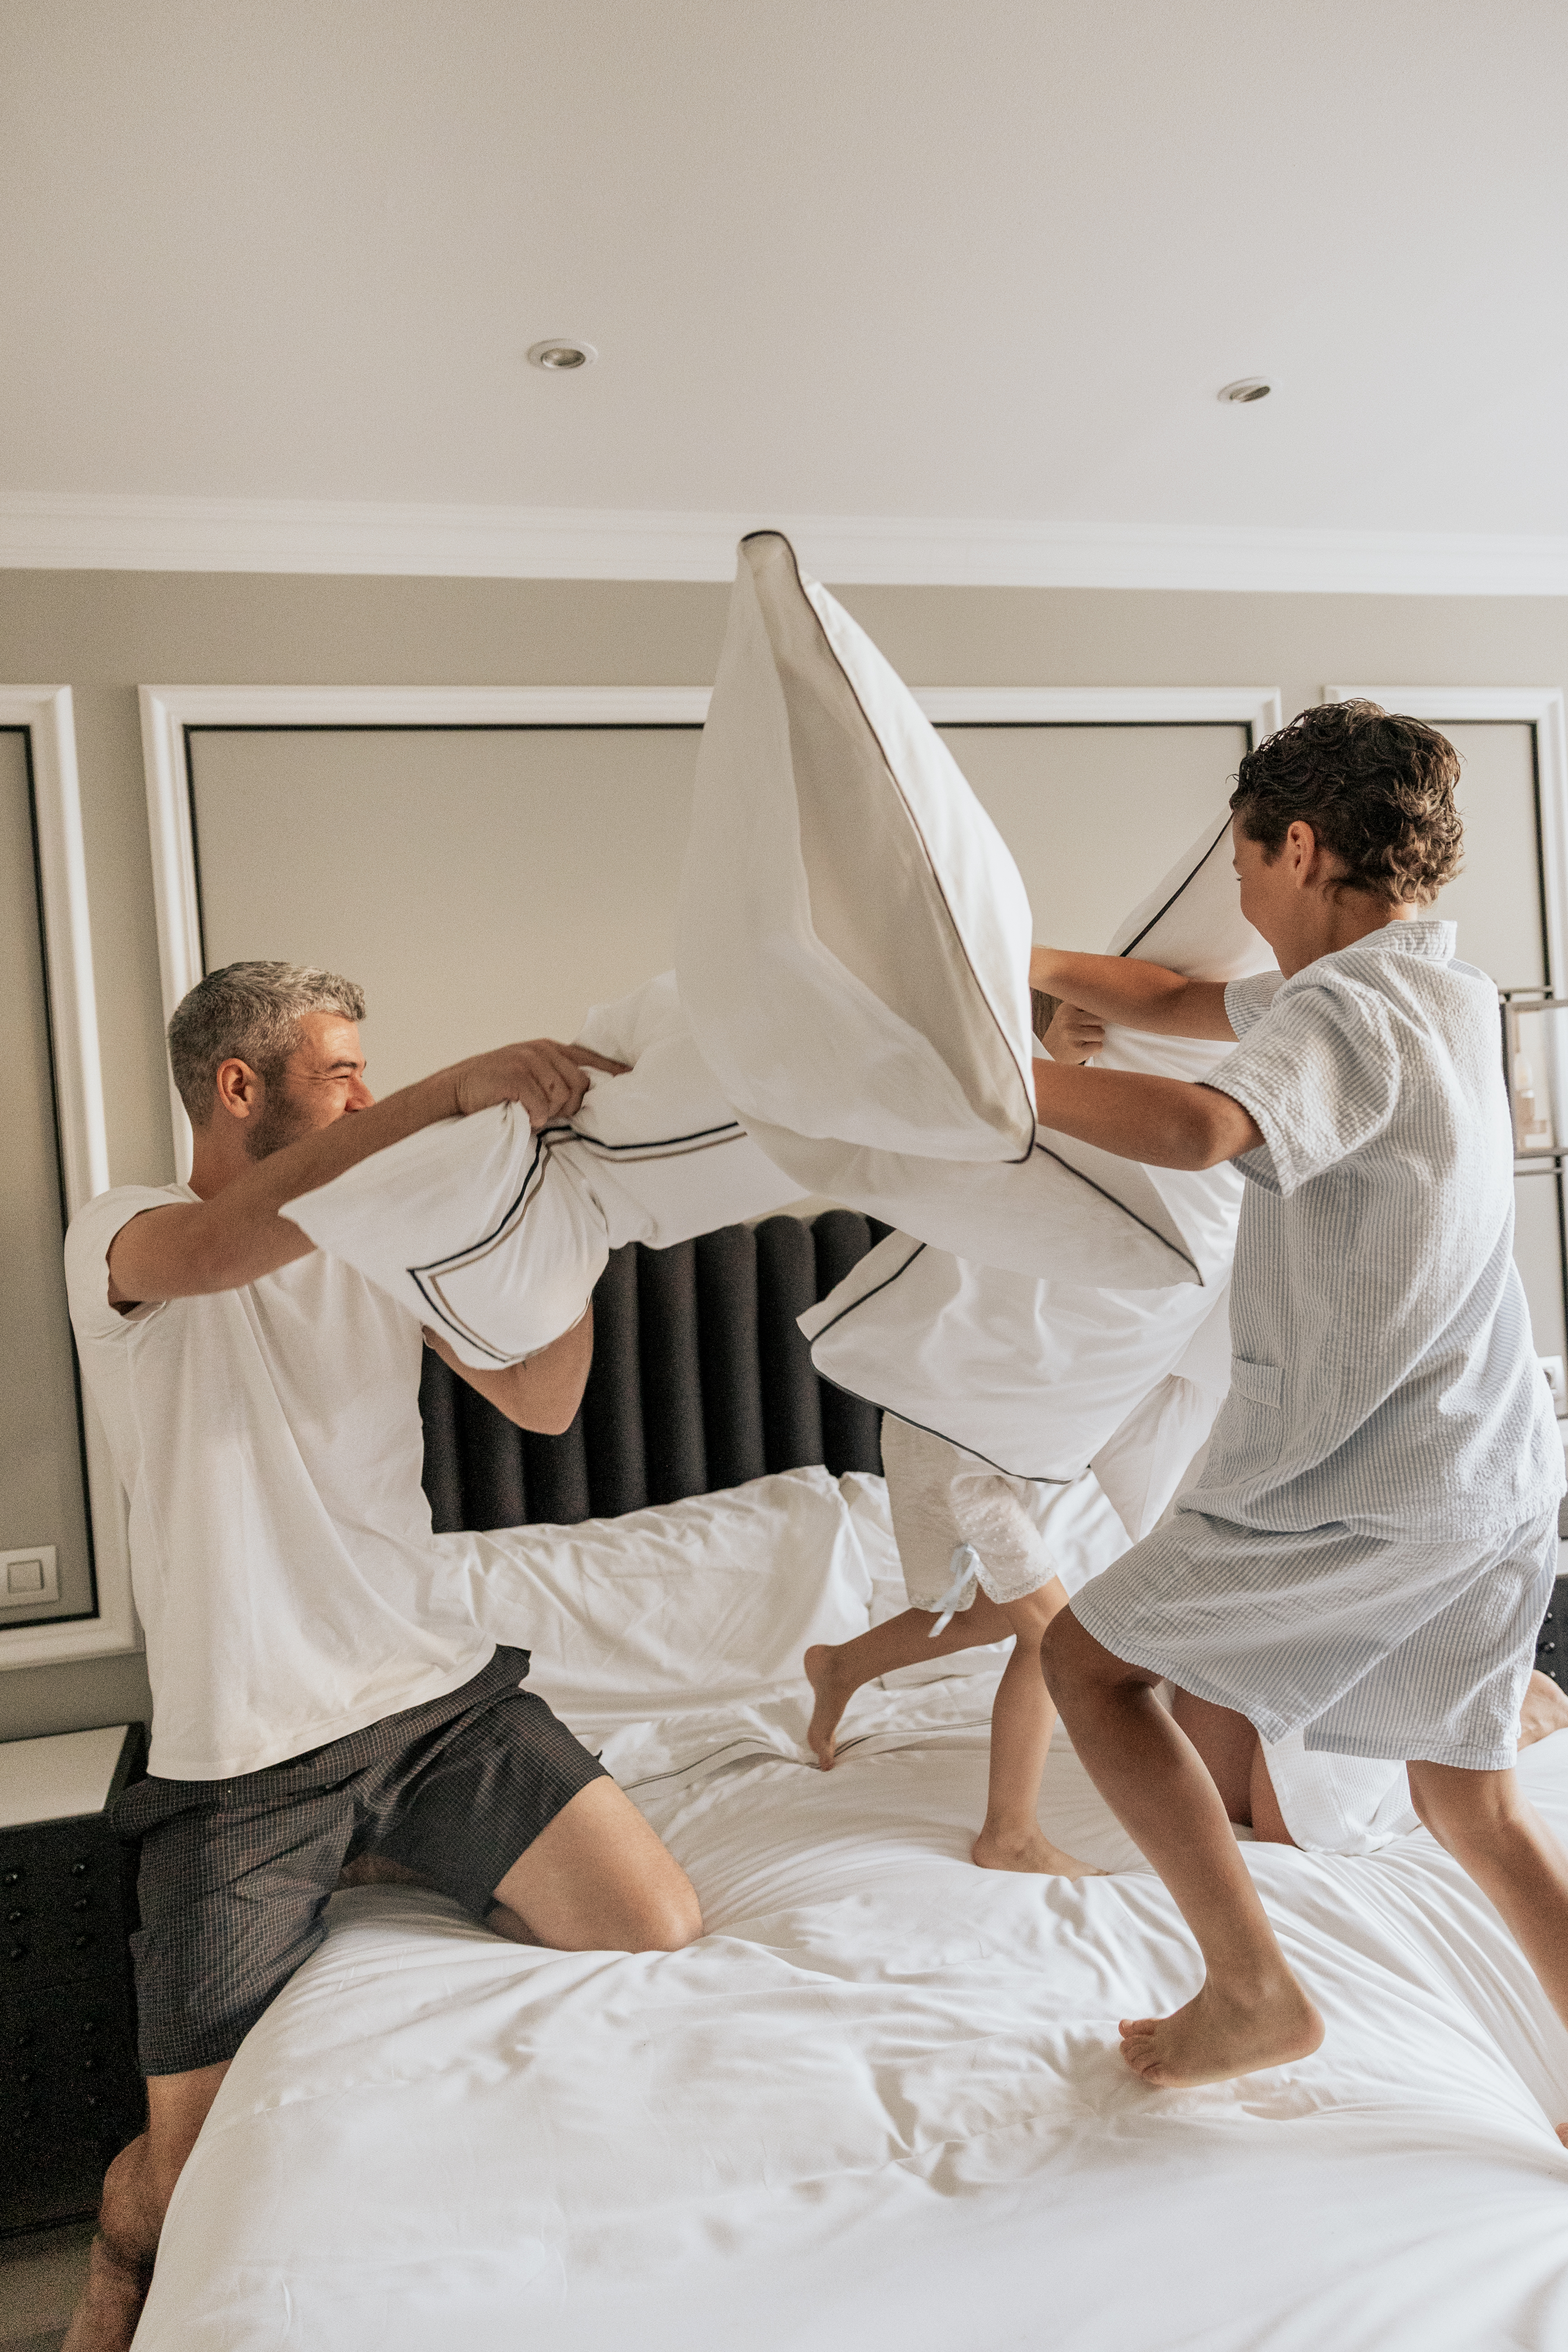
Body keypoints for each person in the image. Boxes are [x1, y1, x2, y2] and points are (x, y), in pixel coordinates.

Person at [60, 964, 702, 2352]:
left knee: (657, 1929)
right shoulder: (126, 1234)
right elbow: (231, 1245)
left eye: (371, 1073)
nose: (365, 1092)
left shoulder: (378, 1240)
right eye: (344, 1070)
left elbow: (544, 1398)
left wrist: (560, 1216)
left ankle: (397, 1843)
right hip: (248, 1756)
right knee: (188, 2191)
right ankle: (116, 2248)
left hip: (434, 1703)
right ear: (241, 1086)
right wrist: (451, 1096)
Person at [1025, 702, 1568, 2100]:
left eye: (1247, 867)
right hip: (1499, 1463)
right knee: (1472, 1800)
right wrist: (992, 967)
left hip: (1377, 1470)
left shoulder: (1344, 1008)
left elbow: (1206, 1125)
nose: (1241, 896)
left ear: (1304, 846)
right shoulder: (1445, 991)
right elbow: (1165, 1004)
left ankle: (1254, 1987)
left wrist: (988, 1082)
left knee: (1088, 1665)